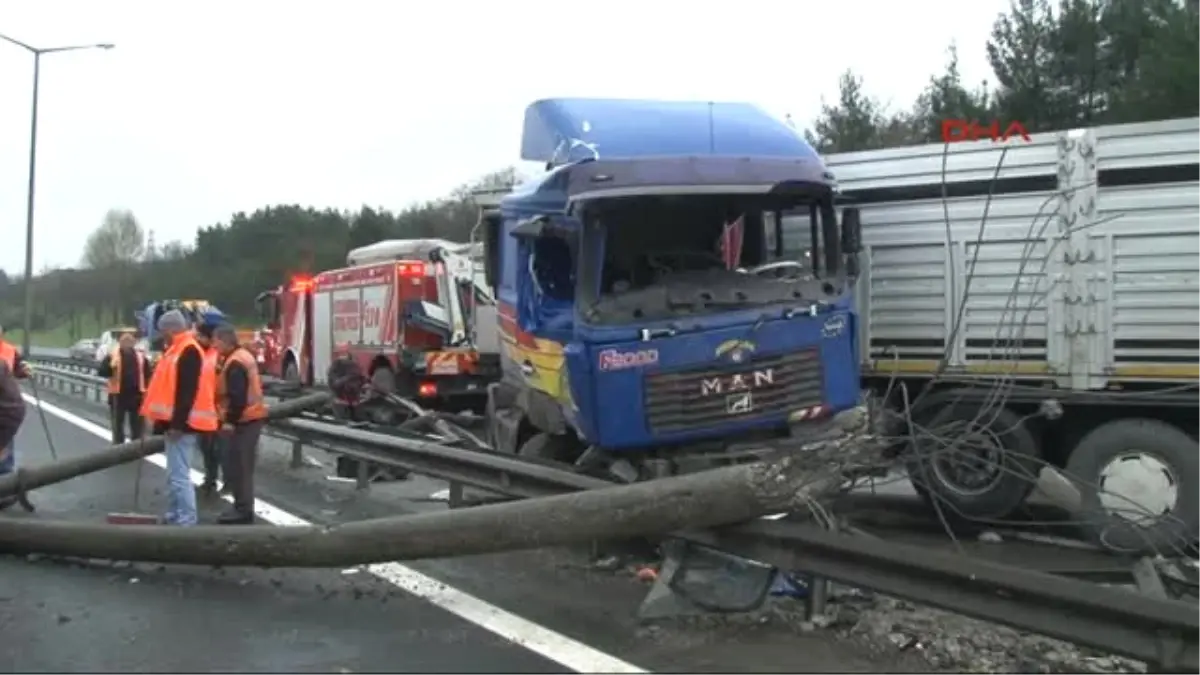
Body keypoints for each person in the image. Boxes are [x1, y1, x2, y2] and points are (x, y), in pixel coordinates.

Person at [140, 310, 219, 526]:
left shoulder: (188, 350)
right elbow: (168, 390)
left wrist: (177, 424)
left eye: (163, 330)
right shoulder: (175, 349)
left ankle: (186, 518)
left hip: (184, 425)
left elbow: (187, 391)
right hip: (176, 423)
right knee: (173, 474)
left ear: (171, 329)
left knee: (179, 475)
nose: (161, 335)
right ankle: (176, 513)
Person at [212, 324, 267, 524]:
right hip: (249, 419)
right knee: (240, 465)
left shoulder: (235, 362)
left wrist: (229, 421)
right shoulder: (241, 356)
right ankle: (241, 506)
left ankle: (243, 510)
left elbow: (237, 397)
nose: (214, 346)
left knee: (240, 466)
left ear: (224, 341)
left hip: (244, 420)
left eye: (216, 342)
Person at [194, 312, 229, 496]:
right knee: (207, 449)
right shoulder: (204, 354)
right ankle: (210, 479)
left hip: (218, 412)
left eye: (200, 335)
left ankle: (228, 482)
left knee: (221, 450)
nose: (197, 338)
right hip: (204, 413)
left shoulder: (219, 355)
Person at [96, 332, 152, 444]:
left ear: (133, 343)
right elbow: (102, 372)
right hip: (118, 395)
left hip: (136, 395)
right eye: (124, 342)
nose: (127, 344)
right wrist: (110, 367)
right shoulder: (113, 356)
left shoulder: (140, 357)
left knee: (135, 426)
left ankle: (134, 448)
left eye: (129, 342)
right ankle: (120, 447)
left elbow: (148, 374)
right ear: (120, 343)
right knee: (118, 426)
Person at [0, 360, 27, 510]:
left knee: (3, 459)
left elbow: (17, 366)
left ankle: (5, 491)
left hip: (5, 415)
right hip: (9, 412)